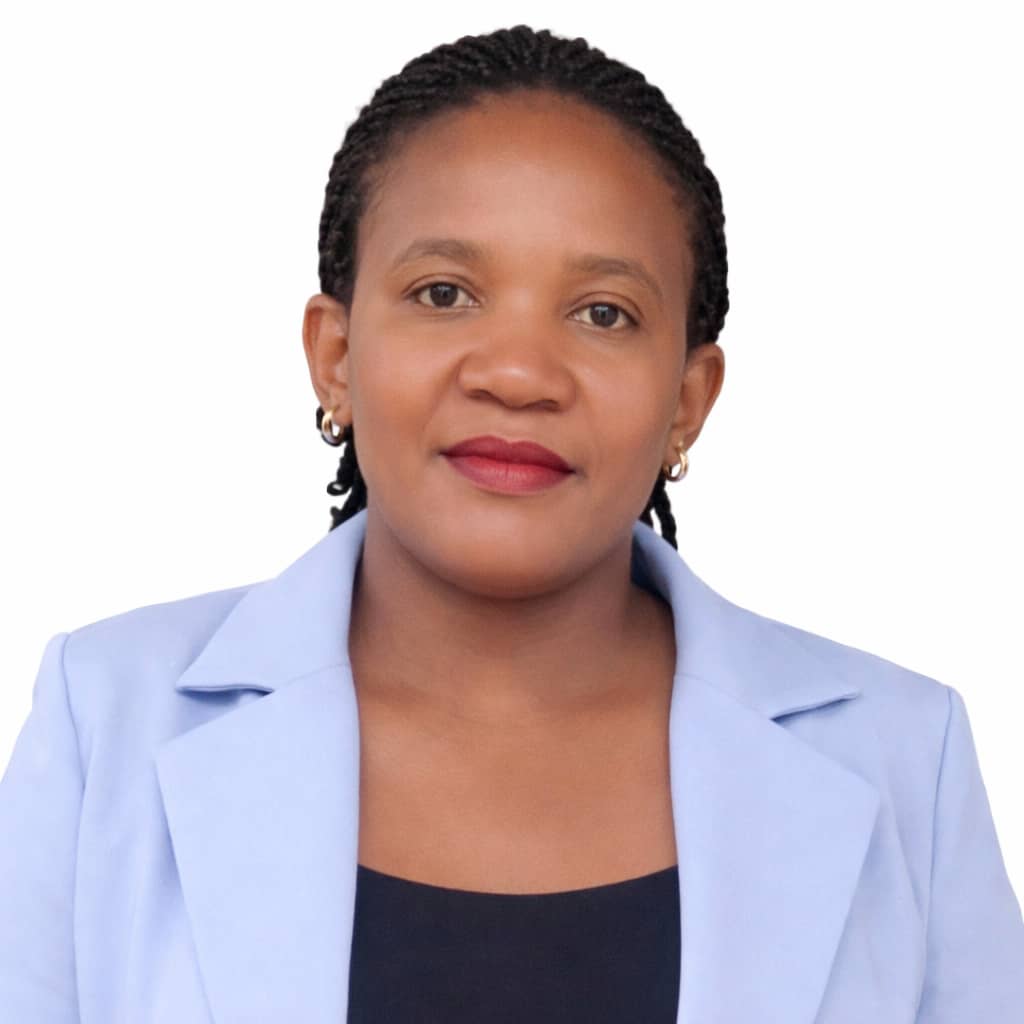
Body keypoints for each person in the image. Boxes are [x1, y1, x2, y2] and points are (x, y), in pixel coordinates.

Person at [1, 23, 1022, 1024]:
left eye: (603, 313)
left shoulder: (903, 755)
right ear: (335, 357)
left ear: (688, 399)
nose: (520, 373)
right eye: (444, 293)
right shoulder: (106, 721)